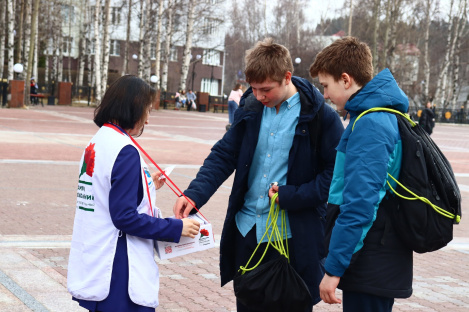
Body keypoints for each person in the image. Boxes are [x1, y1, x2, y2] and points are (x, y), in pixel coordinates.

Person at [173, 38, 344, 311]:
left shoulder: (321, 116)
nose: (259, 95)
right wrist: (194, 194)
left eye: (266, 89)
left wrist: (292, 196)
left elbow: (336, 176)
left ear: (287, 77)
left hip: (291, 238)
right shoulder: (251, 106)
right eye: (253, 88)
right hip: (247, 232)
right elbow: (224, 154)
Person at [67, 75, 200, 312]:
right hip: (119, 266)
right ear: (133, 108)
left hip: (97, 257)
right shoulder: (125, 150)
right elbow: (124, 217)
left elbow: (104, 189)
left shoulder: (98, 141)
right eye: (147, 110)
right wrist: (175, 228)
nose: (147, 120)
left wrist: (146, 185)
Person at [309, 37, 413, 311]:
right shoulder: (372, 116)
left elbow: (359, 205)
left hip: (371, 259)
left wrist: (333, 270)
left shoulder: (371, 123)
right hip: (372, 256)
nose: (325, 95)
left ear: (345, 79)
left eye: (326, 86)